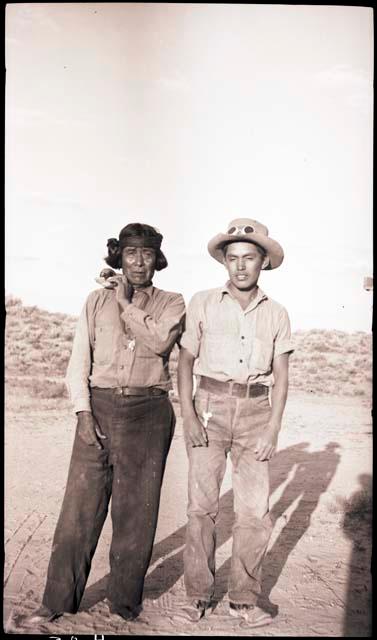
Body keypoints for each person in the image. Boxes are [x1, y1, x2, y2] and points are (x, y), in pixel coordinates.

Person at [25, 223, 185, 625]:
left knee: (136, 515)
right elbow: (79, 361)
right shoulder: (95, 302)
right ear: (119, 256)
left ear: (157, 260)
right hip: (98, 408)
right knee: (79, 512)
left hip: (149, 413)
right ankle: (57, 601)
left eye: (147, 254)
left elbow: (159, 342)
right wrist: (82, 412)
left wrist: (124, 299)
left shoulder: (172, 302)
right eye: (131, 252)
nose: (138, 261)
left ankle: (124, 607)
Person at [177, 218, 294, 627]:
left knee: (253, 512)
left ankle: (243, 600)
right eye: (233, 259)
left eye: (249, 258)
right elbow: (186, 362)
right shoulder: (204, 303)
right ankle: (196, 595)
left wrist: (273, 428)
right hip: (208, 408)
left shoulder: (277, 314)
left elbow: (281, 377)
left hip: (256, 413)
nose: (241, 266)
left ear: (263, 262)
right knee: (201, 507)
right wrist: (188, 415)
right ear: (224, 262)